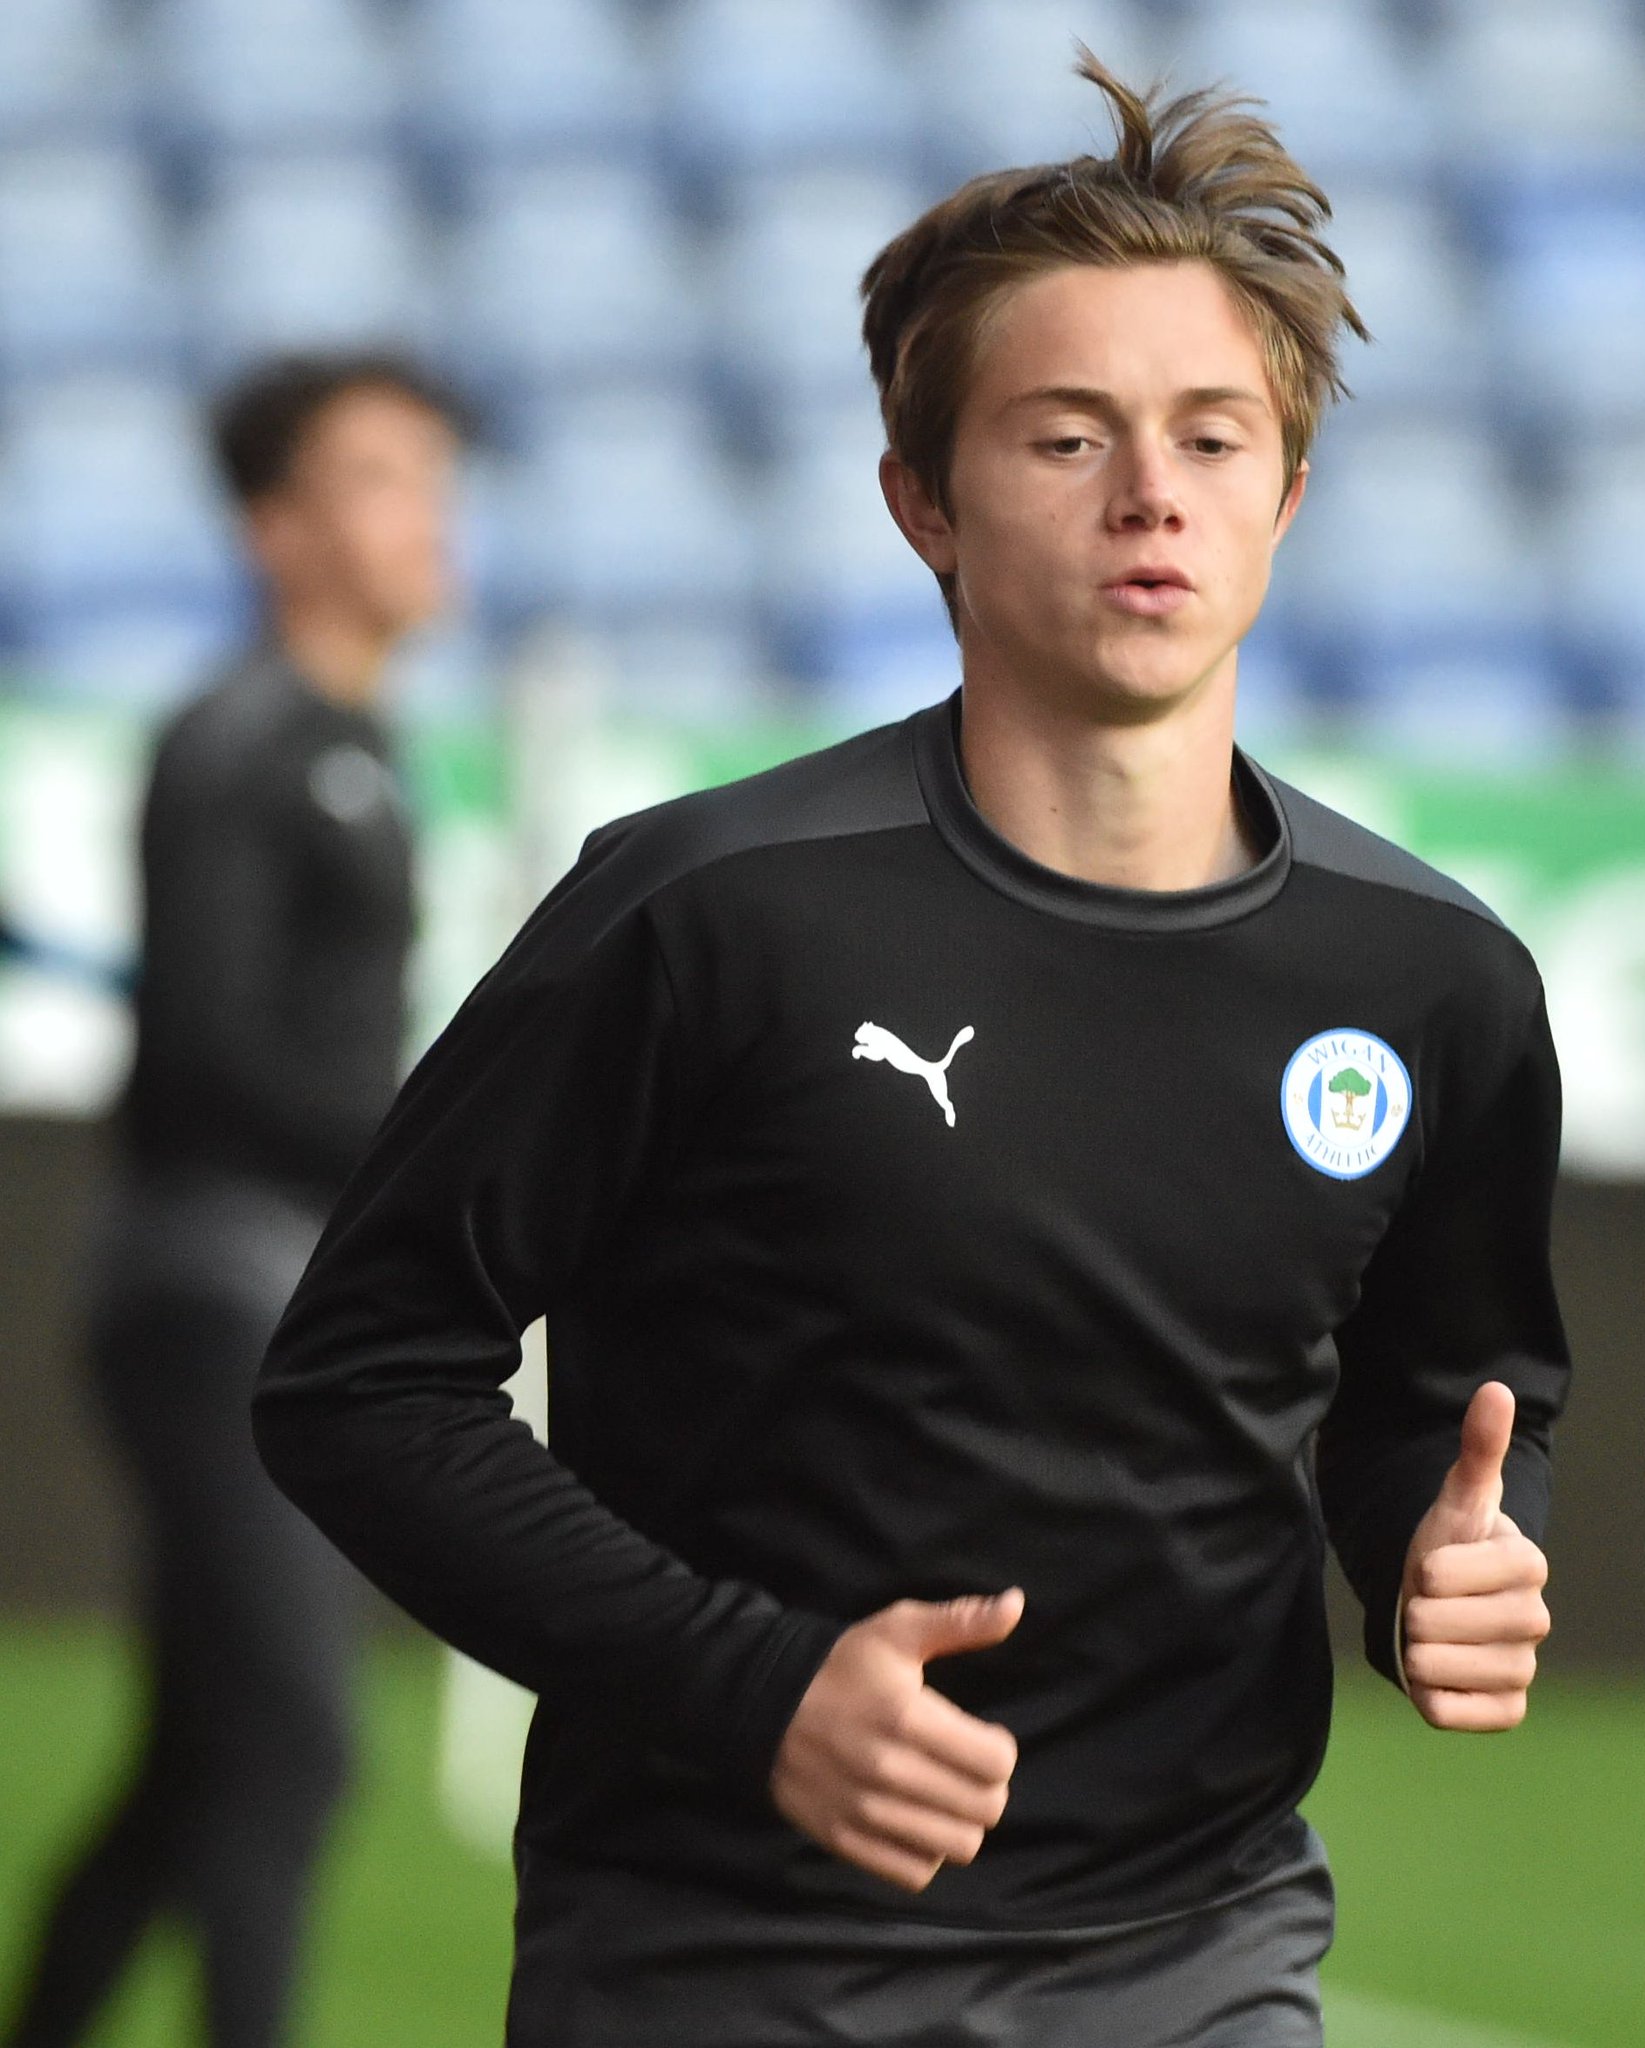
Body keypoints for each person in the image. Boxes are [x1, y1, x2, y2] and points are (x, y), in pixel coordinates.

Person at [251, 57, 1569, 2048]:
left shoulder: (1432, 977)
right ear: (921, 504)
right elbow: (359, 1378)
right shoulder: (704, 913)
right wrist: (749, 1680)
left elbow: (1441, 1400)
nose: (1152, 492)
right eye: (1067, 435)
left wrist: (1439, 1556)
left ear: (1282, 499)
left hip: (1195, 1952)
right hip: (716, 1960)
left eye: (1212, 438)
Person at [3, 352, 464, 2048]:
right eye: (381, 478)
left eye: (433, 478)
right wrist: (444, 1156)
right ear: (276, 527)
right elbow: (202, 1052)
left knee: (196, 1769)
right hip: (214, 1294)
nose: (428, 516)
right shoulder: (240, 740)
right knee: (291, 1745)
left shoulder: (360, 744)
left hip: (268, 1292)